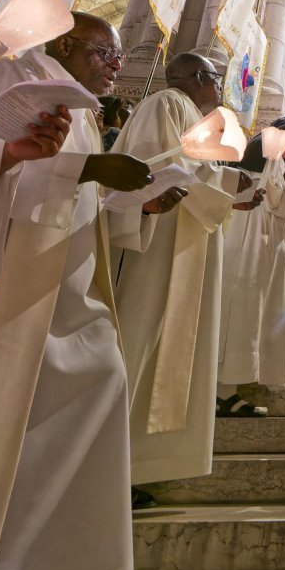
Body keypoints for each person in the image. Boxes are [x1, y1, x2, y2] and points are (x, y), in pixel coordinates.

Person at [0, 14, 156, 570]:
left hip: (71, 285)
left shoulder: (79, 104)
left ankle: (65, 560)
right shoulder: (21, 77)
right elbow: (13, 166)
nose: (114, 64)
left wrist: (134, 196)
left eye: (115, 55)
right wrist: (87, 169)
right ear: (62, 44)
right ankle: (21, 567)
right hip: (24, 283)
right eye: (103, 51)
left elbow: (83, 186)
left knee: (99, 382)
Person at [111, 52, 261, 501]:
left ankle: (142, 461)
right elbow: (161, 168)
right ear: (198, 78)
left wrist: (228, 187)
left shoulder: (183, 111)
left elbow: (193, 169)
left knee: (169, 344)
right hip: (161, 243)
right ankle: (116, 464)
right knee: (145, 336)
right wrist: (231, 187)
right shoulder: (168, 103)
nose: (219, 90)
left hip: (186, 236)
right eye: (216, 80)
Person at [218, 118, 285, 410]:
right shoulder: (267, 159)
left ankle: (229, 387)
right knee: (242, 306)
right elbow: (272, 197)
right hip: (249, 238)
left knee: (253, 308)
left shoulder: (276, 163)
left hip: (260, 238)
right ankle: (224, 390)